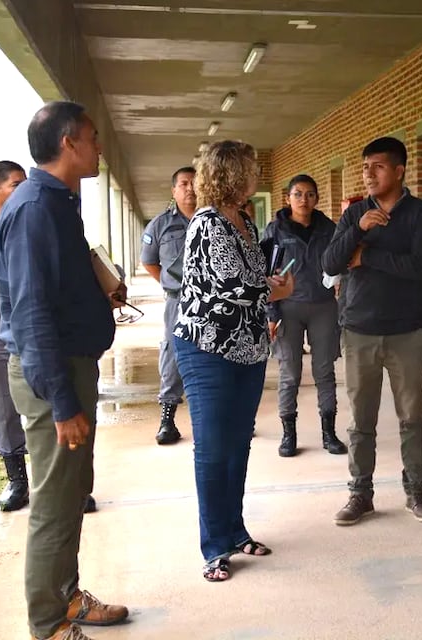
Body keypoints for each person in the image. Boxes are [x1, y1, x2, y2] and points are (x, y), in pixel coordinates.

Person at [0, 101, 129, 640]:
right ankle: (47, 623)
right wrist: (64, 403)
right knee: (53, 503)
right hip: (52, 377)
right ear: (69, 142)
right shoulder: (33, 208)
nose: (99, 148)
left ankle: (67, 596)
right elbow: (29, 314)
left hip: (70, 368)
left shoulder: (57, 202)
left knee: (73, 493)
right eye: (94, 138)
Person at [172, 140, 294, 582]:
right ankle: (213, 547)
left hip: (247, 347)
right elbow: (228, 285)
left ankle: (235, 530)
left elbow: (250, 278)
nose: (257, 174)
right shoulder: (207, 223)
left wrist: (269, 288)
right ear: (232, 173)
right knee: (212, 447)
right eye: (251, 168)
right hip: (207, 348)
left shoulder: (243, 218)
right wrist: (272, 291)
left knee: (238, 443)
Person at [321, 137, 422, 526]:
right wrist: (357, 229)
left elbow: (417, 266)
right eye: (365, 167)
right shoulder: (354, 212)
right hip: (359, 329)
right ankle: (360, 494)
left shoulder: (419, 213)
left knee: (411, 417)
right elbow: (331, 262)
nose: (369, 174)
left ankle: (417, 492)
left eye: (378, 167)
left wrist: (367, 255)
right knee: (361, 420)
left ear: (400, 170)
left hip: (407, 329)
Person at [262, 174, 346, 457]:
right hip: (288, 308)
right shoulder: (275, 230)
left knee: (325, 371)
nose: (304, 200)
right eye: (298, 194)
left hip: (323, 305)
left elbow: (340, 261)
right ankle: (289, 435)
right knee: (290, 374)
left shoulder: (328, 228)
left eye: (310, 194)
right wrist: (272, 314)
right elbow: (266, 276)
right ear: (288, 197)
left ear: (317, 198)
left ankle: (329, 432)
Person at [0, 161, 29, 513]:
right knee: (3, 404)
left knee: (52, 400)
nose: (23, 190)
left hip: (33, 325)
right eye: (16, 185)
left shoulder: (34, 223)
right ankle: (17, 482)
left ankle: (68, 484)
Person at [140, 166, 196, 445]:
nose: (190, 188)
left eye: (194, 183)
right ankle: (167, 418)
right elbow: (149, 261)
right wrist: (168, 282)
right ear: (174, 190)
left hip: (212, 302)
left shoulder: (214, 220)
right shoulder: (160, 225)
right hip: (178, 301)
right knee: (173, 354)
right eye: (184, 184)